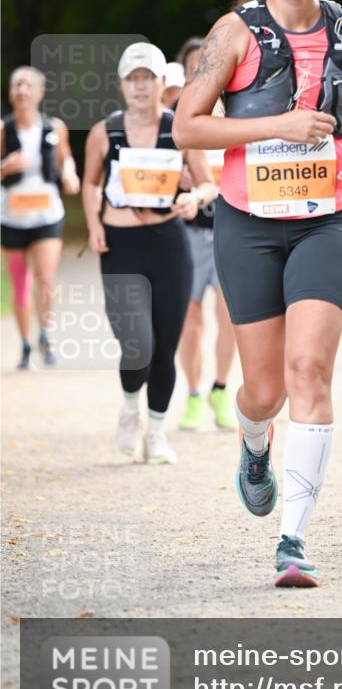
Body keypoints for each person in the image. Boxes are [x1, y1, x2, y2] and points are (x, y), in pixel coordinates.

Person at [174, 0, 342, 586]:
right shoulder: (233, 33)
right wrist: (277, 125)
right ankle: (254, 439)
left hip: (327, 219)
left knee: (309, 374)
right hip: (249, 223)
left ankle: (292, 540)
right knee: (264, 391)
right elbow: (186, 128)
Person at [82, 42, 217, 464]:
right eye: (132, 79)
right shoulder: (105, 132)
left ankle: (156, 434)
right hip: (120, 246)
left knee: (164, 348)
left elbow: (208, 182)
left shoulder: (181, 129)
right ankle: (129, 409)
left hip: (169, 246)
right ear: (122, 85)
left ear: (162, 82)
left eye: (148, 78)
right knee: (137, 343)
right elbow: (90, 183)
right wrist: (93, 224)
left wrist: (194, 198)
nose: (140, 86)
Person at [171, 38, 237, 433]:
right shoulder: (177, 120)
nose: (202, 74)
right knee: (190, 322)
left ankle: (221, 389)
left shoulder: (240, 115)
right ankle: (194, 394)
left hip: (234, 232)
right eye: (193, 68)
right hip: (189, 234)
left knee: (230, 319)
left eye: (207, 65)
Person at [1, 65, 80, 369]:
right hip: (11, 218)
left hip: (47, 215)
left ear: (40, 92)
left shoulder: (54, 128)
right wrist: (5, 168)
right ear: (10, 93)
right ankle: (24, 345)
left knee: (45, 279)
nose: (22, 90)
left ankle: (45, 334)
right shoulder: (3, 130)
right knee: (20, 284)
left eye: (28, 85)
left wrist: (70, 174)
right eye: (17, 85)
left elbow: (65, 158)